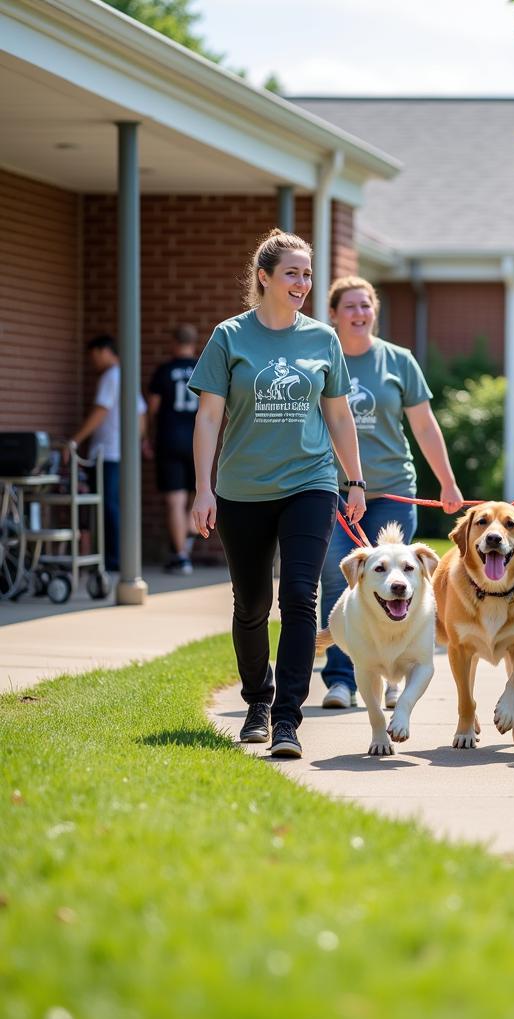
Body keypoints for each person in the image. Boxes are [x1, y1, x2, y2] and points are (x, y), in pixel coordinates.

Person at [189, 229, 366, 759]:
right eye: (292, 273)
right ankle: (257, 703)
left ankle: (288, 718)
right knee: (251, 605)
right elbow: (209, 416)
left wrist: (353, 479)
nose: (302, 283)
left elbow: (338, 413)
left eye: (308, 274)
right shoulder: (229, 337)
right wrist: (204, 489)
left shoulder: (321, 339)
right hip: (242, 489)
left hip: (309, 483)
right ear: (263, 277)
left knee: (298, 599)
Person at [319, 275, 463, 710]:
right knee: (339, 581)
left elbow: (423, 425)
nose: (360, 314)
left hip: (393, 493)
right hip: (336, 494)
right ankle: (341, 679)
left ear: (374, 312)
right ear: (334, 314)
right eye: (350, 307)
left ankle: (398, 668)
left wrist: (448, 481)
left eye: (366, 306)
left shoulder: (398, 361)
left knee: (399, 581)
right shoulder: (321, 360)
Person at [68, 334, 146, 573]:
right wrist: (136, 444)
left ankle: (113, 560)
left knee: (107, 506)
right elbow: (141, 416)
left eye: (93, 356)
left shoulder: (111, 377)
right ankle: (119, 557)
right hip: (122, 454)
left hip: (108, 453)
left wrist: (74, 440)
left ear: (104, 351)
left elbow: (101, 411)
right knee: (116, 505)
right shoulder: (126, 376)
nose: (93, 361)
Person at [144, 324, 199, 574]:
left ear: (174, 343)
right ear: (194, 343)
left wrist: (145, 437)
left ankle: (181, 556)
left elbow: (151, 409)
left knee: (175, 501)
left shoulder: (164, 371)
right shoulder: (203, 368)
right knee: (196, 497)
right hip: (198, 442)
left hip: (169, 441)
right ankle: (186, 539)